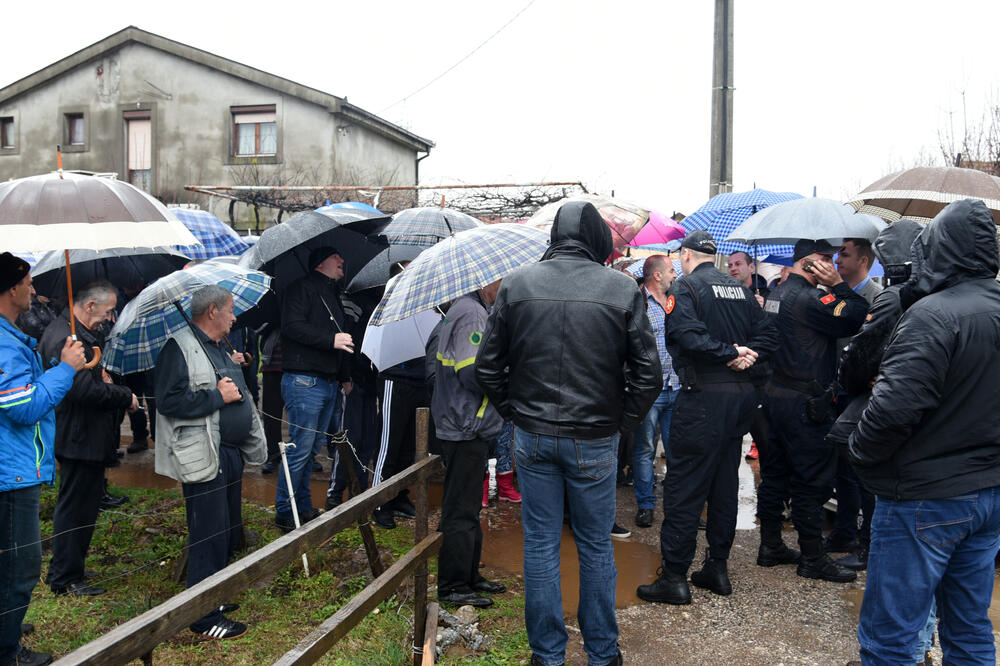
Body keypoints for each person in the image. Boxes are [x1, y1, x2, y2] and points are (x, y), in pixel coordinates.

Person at [477, 201, 661, 666]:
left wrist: (515, 413)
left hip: (535, 434)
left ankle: (548, 655)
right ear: (597, 237)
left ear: (554, 237)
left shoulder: (517, 284)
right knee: (595, 543)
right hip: (593, 436)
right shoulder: (621, 288)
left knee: (541, 545)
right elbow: (647, 374)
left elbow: (488, 366)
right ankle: (602, 655)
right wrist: (622, 424)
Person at [848, 200, 1000, 664]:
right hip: (985, 491)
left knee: (890, 637)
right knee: (970, 626)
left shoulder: (932, 315)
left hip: (924, 495)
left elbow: (893, 411)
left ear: (938, 250)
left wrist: (859, 453)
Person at [636, 231, 777, 604]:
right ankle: (717, 567)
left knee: (684, 487)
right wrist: (746, 355)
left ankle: (675, 577)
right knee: (723, 485)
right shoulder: (742, 291)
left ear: (685, 256)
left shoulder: (685, 289)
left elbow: (685, 333)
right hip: (740, 399)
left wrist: (726, 352)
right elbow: (769, 336)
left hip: (702, 399)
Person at [154, 285, 266, 640]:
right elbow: (169, 401)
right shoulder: (180, 347)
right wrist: (216, 396)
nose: (235, 317)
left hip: (227, 452)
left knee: (225, 531)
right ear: (213, 311)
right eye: (231, 310)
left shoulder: (218, 346)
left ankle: (212, 597)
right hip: (203, 453)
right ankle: (202, 618)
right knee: (208, 532)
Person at [755, 239, 867, 582]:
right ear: (806, 263)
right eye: (824, 258)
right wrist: (839, 285)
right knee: (810, 480)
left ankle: (771, 545)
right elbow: (855, 316)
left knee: (775, 475)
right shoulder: (811, 297)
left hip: (776, 397)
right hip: (803, 402)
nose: (831, 263)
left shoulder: (778, 293)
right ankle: (812, 557)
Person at [0, 253, 85, 666]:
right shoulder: (2, 343)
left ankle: (6, 624)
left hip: (12, 466)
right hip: (11, 473)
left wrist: (54, 366)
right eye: (28, 282)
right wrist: (66, 370)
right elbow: (23, 408)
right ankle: (7, 650)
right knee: (20, 565)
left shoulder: (9, 336)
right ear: (11, 288)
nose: (33, 290)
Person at [38, 281, 138, 598]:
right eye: (108, 311)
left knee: (85, 506)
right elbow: (81, 390)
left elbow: (89, 379)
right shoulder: (67, 336)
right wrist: (124, 395)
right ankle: (65, 577)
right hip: (77, 436)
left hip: (86, 435)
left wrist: (102, 375)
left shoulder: (78, 332)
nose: (110, 318)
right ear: (90, 306)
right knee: (75, 508)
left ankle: (73, 567)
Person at [431, 281, 506, 609]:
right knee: (460, 511)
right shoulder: (473, 313)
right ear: (488, 279)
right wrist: (504, 382)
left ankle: (469, 574)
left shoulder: (467, 308)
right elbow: (471, 371)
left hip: (464, 423)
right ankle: (453, 585)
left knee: (469, 507)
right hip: (465, 425)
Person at [276, 247, 354, 532]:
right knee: (300, 450)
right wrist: (329, 339)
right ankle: (285, 510)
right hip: (304, 381)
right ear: (321, 263)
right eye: (337, 257)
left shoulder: (333, 292)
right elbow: (291, 327)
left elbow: (342, 340)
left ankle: (303, 506)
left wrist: (344, 376)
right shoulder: (300, 289)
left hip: (328, 381)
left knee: (311, 452)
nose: (342, 260)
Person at [826, 237, 882, 555]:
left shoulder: (878, 298)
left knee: (862, 473)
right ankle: (843, 532)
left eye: (844, 255)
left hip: (863, 396)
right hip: (838, 391)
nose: (837, 261)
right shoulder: (834, 296)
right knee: (842, 471)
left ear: (863, 261)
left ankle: (867, 541)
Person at [632, 254, 680, 529]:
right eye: (671, 271)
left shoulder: (678, 301)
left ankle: (677, 506)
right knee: (644, 449)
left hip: (678, 385)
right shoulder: (637, 303)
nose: (675, 275)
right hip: (651, 390)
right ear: (657, 275)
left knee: (678, 451)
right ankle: (646, 505)